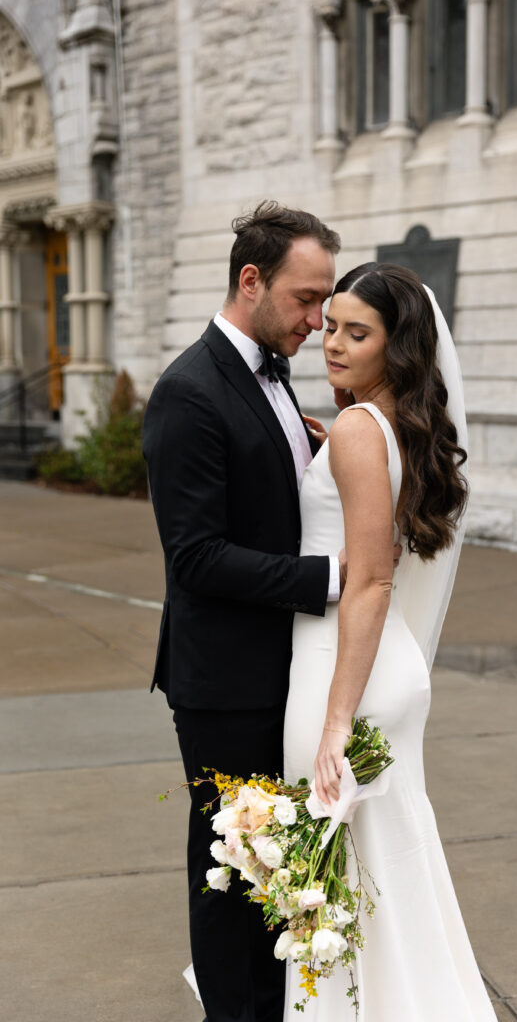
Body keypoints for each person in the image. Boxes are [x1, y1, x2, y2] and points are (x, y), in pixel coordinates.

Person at [142, 201, 342, 1022]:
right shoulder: (187, 392)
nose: (317, 319)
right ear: (250, 280)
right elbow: (196, 556)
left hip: (280, 669)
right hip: (225, 682)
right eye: (304, 298)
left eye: (325, 300)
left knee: (278, 871)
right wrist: (327, 578)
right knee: (231, 872)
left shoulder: (272, 372)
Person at [283, 263, 497, 1020]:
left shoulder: (354, 430)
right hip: (390, 666)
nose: (331, 343)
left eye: (355, 333)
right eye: (330, 324)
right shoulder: (396, 426)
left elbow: (369, 581)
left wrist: (337, 718)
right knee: (388, 871)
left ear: (395, 345)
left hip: (342, 670)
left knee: (331, 879)